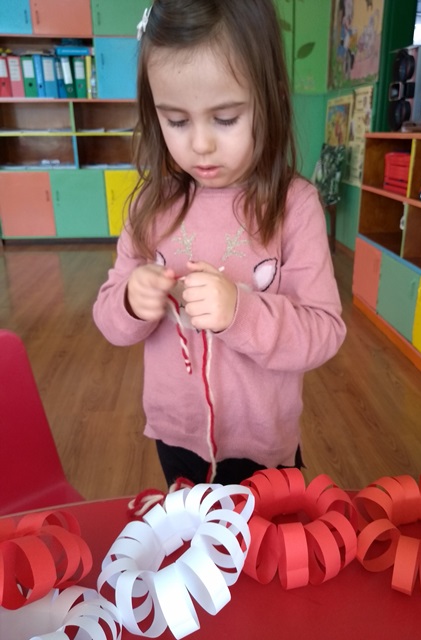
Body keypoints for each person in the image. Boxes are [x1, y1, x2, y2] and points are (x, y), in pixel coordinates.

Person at [93, 0, 346, 488]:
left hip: (263, 446)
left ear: (270, 100)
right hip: (175, 436)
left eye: (225, 118)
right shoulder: (149, 205)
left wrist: (240, 313)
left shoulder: (294, 206)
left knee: (265, 537)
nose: (201, 145)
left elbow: (325, 330)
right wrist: (129, 300)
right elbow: (108, 317)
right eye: (176, 121)